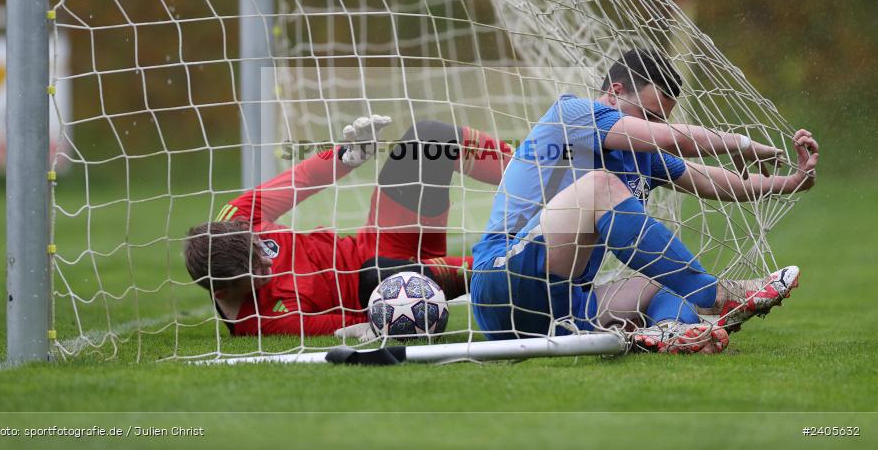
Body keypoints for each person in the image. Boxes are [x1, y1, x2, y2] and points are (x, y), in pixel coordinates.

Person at [470, 49, 819, 353]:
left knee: (668, 282)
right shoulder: (574, 114)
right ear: (614, 94)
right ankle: (715, 294)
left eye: (660, 119)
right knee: (599, 186)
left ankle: (674, 333)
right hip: (502, 280)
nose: (655, 126)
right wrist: (742, 144)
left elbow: (708, 179)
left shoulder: (641, 157)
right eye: (648, 115)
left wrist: (790, 181)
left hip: (563, 311)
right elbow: (671, 140)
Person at [183, 117, 512, 336]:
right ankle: (528, 256)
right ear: (223, 291)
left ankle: (542, 175)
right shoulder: (263, 322)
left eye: (259, 250)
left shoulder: (237, 218)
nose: (267, 261)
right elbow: (355, 323)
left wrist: (347, 156)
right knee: (375, 274)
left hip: (380, 235)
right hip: (387, 282)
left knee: (430, 138)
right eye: (258, 270)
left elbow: (302, 180)